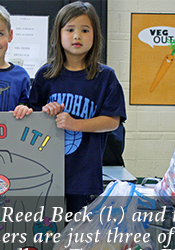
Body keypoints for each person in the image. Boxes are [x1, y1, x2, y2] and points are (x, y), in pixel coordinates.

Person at [28, 1, 127, 214]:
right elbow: (31, 117)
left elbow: (112, 121)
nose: (77, 36)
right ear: (59, 34)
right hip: (46, 171)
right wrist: (46, 113)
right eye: (70, 29)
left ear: (95, 35)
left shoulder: (105, 77)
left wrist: (75, 124)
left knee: (78, 236)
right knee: (44, 233)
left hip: (84, 172)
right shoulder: (45, 75)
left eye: (85, 30)